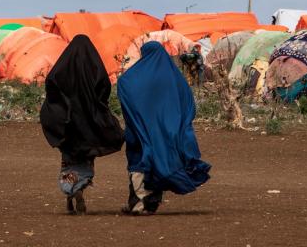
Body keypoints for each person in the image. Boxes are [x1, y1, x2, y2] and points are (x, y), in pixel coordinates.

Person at [116, 41, 210, 215]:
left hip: (140, 129)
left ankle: (138, 202)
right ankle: (151, 202)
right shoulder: (174, 77)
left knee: (139, 160)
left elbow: (125, 88)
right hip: (167, 130)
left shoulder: (135, 77)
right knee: (160, 161)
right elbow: (187, 103)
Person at [40, 35, 124, 215]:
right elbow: (104, 87)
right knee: (87, 155)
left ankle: (70, 193)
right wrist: (96, 105)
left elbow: (51, 83)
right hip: (89, 119)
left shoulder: (63, 66)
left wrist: (60, 107)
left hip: (68, 122)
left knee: (69, 158)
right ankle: (81, 186)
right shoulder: (94, 66)